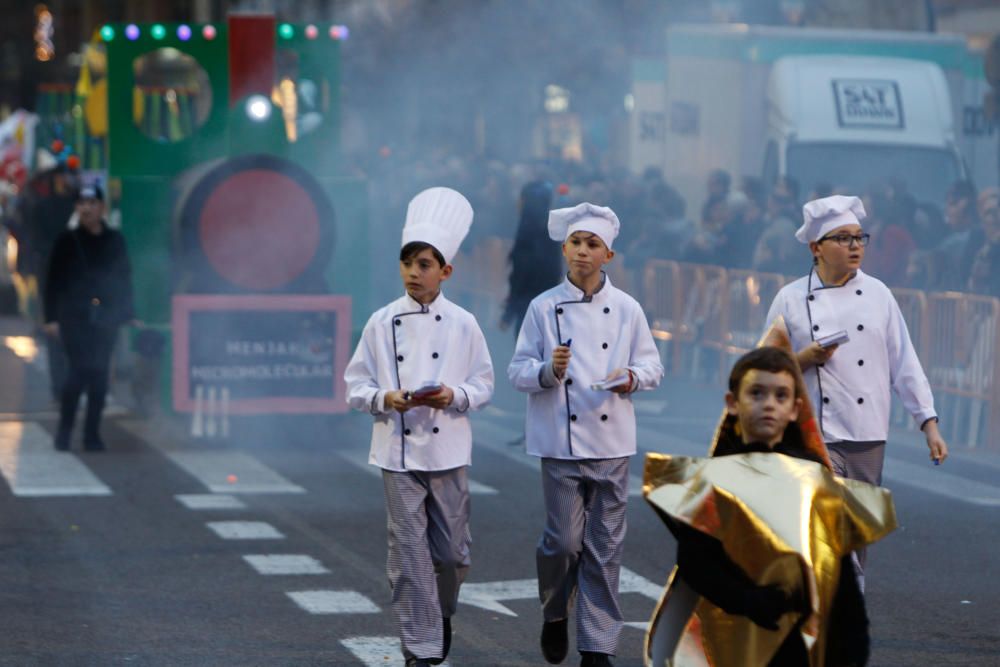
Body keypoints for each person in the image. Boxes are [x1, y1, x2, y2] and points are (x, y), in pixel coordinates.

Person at [644, 344, 895, 667]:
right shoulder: (714, 481)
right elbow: (696, 562)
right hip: (729, 640)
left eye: (780, 396)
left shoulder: (814, 483)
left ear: (795, 409)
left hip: (795, 642)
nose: (769, 405)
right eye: (757, 393)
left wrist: (851, 654)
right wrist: (749, 600)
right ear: (733, 403)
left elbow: (841, 586)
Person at [764, 194, 948, 589]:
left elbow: (905, 363)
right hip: (813, 432)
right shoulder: (790, 299)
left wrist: (928, 422)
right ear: (816, 248)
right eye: (842, 239)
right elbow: (762, 373)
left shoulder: (879, 294)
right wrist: (805, 358)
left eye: (859, 238)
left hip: (867, 432)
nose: (854, 247)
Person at [508, 202, 664, 667]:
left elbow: (653, 366)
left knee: (604, 548)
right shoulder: (542, 307)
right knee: (563, 543)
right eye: (575, 243)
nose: (582, 251)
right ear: (564, 249)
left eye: (592, 244)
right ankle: (555, 611)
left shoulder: (628, 309)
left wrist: (631, 376)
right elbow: (517, 372)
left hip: (613, 439)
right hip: (559, 441)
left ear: (608, 256)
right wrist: (547, 371)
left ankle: (598, 647)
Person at [343, 187, 494, 667]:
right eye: (407, 262)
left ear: (446, 271)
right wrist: (383, 398)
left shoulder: (465, 324)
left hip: (449, 449)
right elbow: (354, 385)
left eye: (425, 264)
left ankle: (441, 611)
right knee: (408, 553)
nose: (414, 272)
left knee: (451, 556)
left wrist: (456, 396)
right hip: (397, 452)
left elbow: (484, 383)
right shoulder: (380, 322)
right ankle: (421, 649)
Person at [43, 184, 134, 451]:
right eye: (81, 203)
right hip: (74, 317)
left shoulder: (115, 240)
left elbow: (124, 277)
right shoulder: (66, 241)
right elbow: (52, 282)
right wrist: (50, 317)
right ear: (76, 208)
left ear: (102, 207)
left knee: (100, 376)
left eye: (92, 202)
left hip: (107, 316)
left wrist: (129, 312)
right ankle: (65, 430)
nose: (87, 208)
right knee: (79, 371)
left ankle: (92, 434)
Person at [500, 180, 560, 337]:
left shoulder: (529, 231)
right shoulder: (551, 229)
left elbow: (522, 273)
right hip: (545, 305)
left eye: (521, 199)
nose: (517, 204)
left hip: (529, 305)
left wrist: (509, 311)